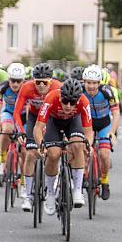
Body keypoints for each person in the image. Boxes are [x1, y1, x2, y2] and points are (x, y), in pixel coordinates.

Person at [34, 78, 93, 213]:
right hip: (53, 122)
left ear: (77, 100)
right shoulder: (51, 97)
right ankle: (50, 193)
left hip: (73, 122)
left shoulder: (84, 101)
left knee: (78, 145)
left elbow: (89, 131)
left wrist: (87, 146)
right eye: (65, 100)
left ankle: (78, 190)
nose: (68, 105)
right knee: (53, 154)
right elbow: (38, 128)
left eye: (72, 102)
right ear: (60, 96)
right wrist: (41, 145)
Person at [13, 62, 62, 211]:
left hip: (53, 119)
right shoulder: (27, 87)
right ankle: (28, 195)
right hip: (35, 118)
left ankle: (51, 185)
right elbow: (16, 112)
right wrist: (20, 131)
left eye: (44, 82)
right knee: (30, 154)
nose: (41, 85)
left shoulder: (57, 87)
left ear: (51, 81)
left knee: (52, 153)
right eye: (38, 82)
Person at [82, 65, 119, 200]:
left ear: (99, 83)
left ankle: (104, 180)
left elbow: (115, 113)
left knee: (104, 154)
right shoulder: (80, 92)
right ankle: (84, 175)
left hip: (104, 124)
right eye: (88, 83)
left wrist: (113, 132)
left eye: (94, 83)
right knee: (83, 150)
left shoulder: (107, 92)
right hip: (88, 125)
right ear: (83, 82)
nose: (91, 86)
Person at [0, 63, 26, 184]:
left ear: (23, 80)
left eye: (18, 81)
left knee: (24, 150)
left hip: (23, 116)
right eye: (13, 81)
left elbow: (29, 110)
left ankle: (23, 181)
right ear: (8, 79)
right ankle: (2, 160)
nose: (15, 84)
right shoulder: (2, 87)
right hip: (9, 113)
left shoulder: (27, 88)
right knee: (6, 129)